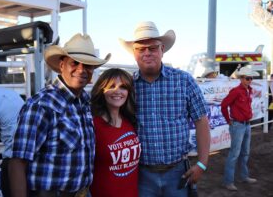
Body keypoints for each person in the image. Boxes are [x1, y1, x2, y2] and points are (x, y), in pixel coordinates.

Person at [8, 33, 111, 197]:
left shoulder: (84, 102)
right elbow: (18, 162)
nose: (81, 69)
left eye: (88, 65)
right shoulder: (41, 105)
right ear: (62, 65)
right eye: (75, 63)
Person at [119, 21, 210, 197]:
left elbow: (201, 121)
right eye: (141, 49)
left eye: (152, 48)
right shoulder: (126, 86)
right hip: (140, 173)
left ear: (162, 49)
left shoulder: (184, 81)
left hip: (178, 172)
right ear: (134, 53)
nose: (147, 53)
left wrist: (202, 163)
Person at [90, 68, 140, 197]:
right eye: (111, 86)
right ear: (102, 90)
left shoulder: (130, 121)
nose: (117, 91)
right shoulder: (92, 125)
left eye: (123, 87)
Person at [221, 66, 259, 191]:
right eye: (248, 78)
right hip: (238, 125)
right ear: (241, 79)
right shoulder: (236, 91)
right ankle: (228, 181)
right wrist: (229, 121)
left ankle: (243, 176)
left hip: (246, 124)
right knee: (234, 154)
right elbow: (223, 105)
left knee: (244, 152)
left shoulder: (248, 90)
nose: (250, 80)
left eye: (251, 78)